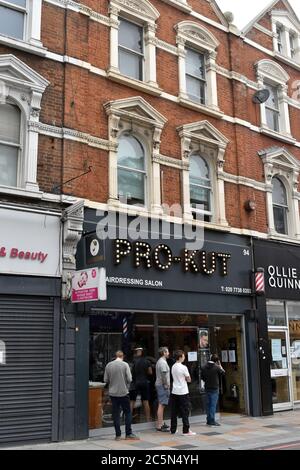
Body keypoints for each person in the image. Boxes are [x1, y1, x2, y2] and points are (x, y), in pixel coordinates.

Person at [104, 350, 139, 441]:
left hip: (113, 393)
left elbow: (105, 380)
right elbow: (130, 379)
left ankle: (118, 435)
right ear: (122, 356)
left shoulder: (108, 365)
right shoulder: (125, 365)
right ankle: (128, 434)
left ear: (115, 356)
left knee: (115, 414)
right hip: (124, 392)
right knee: (127, 413)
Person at [170, 350, 196, 436]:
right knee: (185, 411)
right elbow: (189, 379)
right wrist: (185, 378)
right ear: (180, 357)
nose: (184, 357)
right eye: (184, 356)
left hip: (174, 391)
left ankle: (173, 429)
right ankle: (186, 430)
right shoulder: (183, 367)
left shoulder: (173, 366)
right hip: (183, 391)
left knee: (174, 411)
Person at [201, 354, 225, 426]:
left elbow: (202, 377)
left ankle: (208, 420)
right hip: (214, 388)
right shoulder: (217, 367)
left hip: (207, 387)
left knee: (208, 405)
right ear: (217, 361)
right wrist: (220, 365)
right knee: (213, 405)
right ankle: (212, 420)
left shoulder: (204, 367)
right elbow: (223, 373)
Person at [130, 347, 152, 422]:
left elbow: (132, 372)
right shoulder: (147, 361)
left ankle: (129, 419)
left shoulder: (134, 361)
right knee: (145, 401)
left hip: (136, 382)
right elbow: (150, 372)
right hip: (144, 382)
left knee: (132, 401)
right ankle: (148, 419)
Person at [155, 346, 170, 432]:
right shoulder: (163, 363)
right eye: (167, 352)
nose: (168, 353)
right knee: (161, 404)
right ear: (164, 353)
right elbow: (164, 375)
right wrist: (166, 385)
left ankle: (161, 423)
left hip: (160, 385)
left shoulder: (160, 362)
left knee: (162, 404)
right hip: (162, 385)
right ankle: (160, 425)